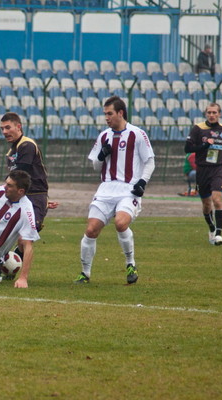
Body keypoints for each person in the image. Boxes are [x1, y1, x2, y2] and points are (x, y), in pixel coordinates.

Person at [74, 96, 155, 285]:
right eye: (105, 114)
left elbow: (150, 161)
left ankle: (130, 264)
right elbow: (96, 166)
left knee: (120, 223)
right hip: (106, 189)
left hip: (128, 189)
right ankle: (85, 273)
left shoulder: (137, 134)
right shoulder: (104, 136)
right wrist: (101, 156)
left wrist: (142, 181)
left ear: (120, 113)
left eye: (109, 113)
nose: (106, 118)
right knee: (91, 230)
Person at [1, 112, 58, 266]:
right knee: (5, 235)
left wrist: (41, 200)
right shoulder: (11, 151)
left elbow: (20, 175)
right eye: (2, 129)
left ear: (18, 127)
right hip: (22, 196)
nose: (5, 132)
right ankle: (1, 268)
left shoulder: (27, 145)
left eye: (8, 127)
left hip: (35, 196)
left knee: (24, 238)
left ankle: (13, 270)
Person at [184, 103, 222, 246]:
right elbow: (187, 148)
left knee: (217, 200)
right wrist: (205, 145)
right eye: (209, 112)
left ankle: (218, 234)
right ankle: (211, 228)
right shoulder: (198, 128)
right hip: (202, 169)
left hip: (218, 168)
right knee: (206, 204)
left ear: (220, 114)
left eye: (214, 112)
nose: (212, 115)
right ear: (206, 114)